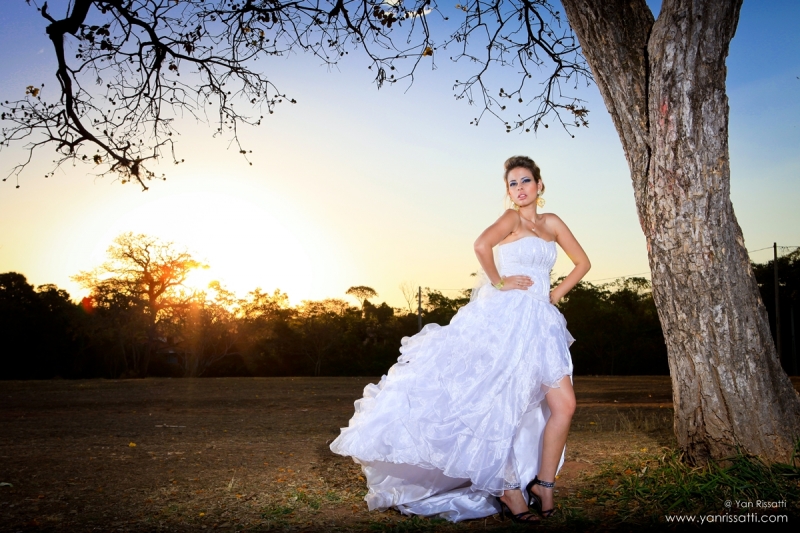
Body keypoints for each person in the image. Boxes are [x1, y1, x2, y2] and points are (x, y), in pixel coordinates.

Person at [330, 156, 590, 524]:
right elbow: (482, 245)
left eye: (526, 181)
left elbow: (582, 263)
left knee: (564, 405)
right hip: (507, 321)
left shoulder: (551, 223)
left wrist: (554, 296)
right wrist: (501, 282)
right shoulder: (511, 219)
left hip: (542, 324)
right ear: (509, 192)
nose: (520, 188)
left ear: (540, 185)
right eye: (513, 183)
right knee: (502, 407)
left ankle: (544, 485)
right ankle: (508, 488)